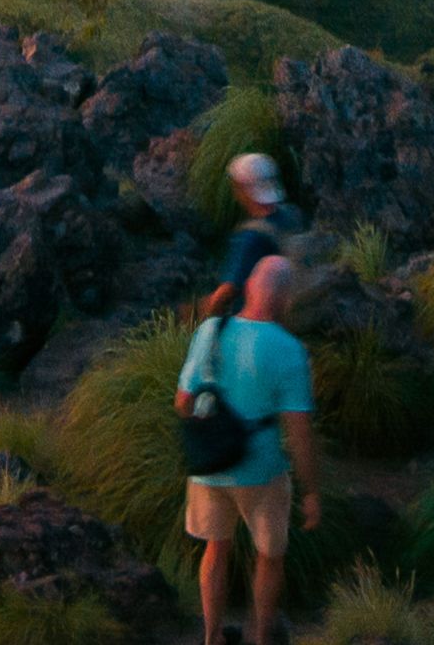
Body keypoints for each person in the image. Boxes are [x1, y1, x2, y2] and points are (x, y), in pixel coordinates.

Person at [182, 251, 323, 645]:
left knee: (215, 549)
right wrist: (311, 491)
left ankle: (211, 636)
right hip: (261, 470)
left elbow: (182, 402)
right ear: (284, 300)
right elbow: (299, 431)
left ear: (247, 288)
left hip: (209, 465)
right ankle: (260, 636)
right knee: (269, 556)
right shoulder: (289, 349)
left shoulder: (211, 330)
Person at [218, 149, 299, 298]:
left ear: (244, 189)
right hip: (292, 302)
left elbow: (228, 291)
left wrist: (201, 311)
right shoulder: (292, 213)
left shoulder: (249, 237)